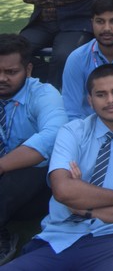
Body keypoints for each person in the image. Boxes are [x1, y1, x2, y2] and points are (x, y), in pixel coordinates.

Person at [1, 64, 113, 271]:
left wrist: (88, 209)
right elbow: (64, 191)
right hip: (57, 238)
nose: (110, 100)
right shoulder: (72, 132)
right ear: (90, 100)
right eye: (101, 94)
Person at [0, 35, 67, 265]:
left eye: (10, 72)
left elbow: (53, 135)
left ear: (28, 70)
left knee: (27, 164)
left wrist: (2, 165)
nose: (2, 78)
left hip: (35, 187)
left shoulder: (44, 94)